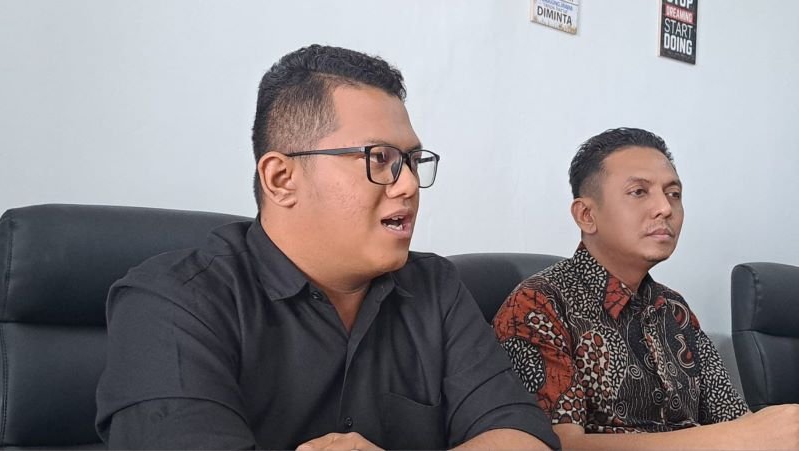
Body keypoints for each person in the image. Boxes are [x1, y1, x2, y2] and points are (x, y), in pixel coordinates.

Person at [95, 44, 559, 450]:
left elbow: (524, 436)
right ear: (281, 179)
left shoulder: (435, 288)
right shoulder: (173, 302)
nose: (409, 185)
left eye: (414, 161)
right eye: (380, 158)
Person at [493, 127, 799, 449]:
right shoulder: (538, 305)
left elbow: (735, 419)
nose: (665, 208)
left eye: (674, 194)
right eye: (639, 192)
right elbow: (556, 444)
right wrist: (734, 437)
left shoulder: (673, 309)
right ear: (586, 215)